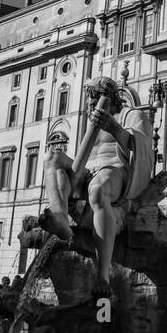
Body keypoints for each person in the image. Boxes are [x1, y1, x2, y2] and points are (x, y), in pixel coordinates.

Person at [39, 78, 155, 293]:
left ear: (109, 99)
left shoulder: (133, 115)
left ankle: (103, 277)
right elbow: (81, 160)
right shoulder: (90, 122)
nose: (90, 106)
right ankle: (60, 216)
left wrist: (115, 128)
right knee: (51, 157)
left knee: (97, 189)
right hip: (89, 172)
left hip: (117, 171)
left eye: (94, 100)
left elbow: (144, 152)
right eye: (89, 102)